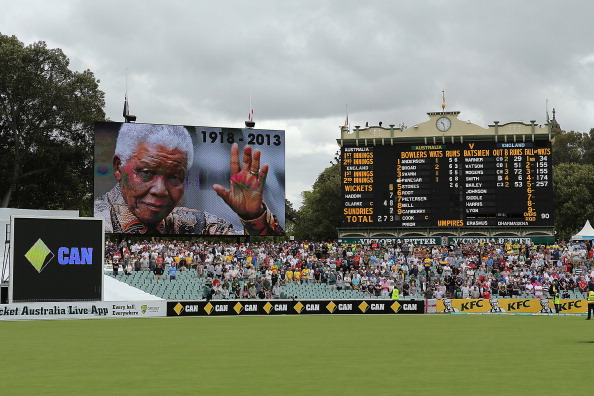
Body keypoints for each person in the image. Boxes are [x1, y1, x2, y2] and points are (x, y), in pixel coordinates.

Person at [94, 123, 283, 235]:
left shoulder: (197, 224)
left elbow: (264, 245)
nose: (160, 190)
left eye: (174, 177)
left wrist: (253, 216)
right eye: (146, 173)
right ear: (119, 167)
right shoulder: (95, 225)